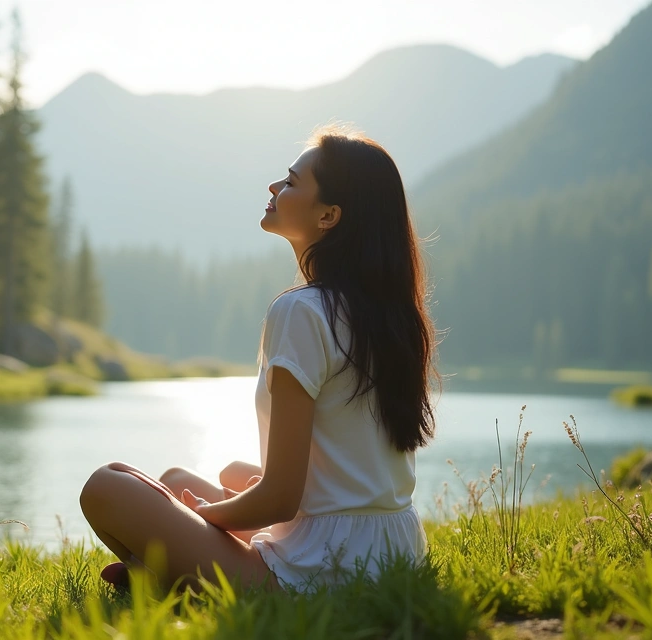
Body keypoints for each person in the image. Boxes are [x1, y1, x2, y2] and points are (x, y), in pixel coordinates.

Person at [78, 123, 437, 593]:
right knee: (184, 477)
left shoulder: (302, 311)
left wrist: (203, 519)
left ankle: (174, 579)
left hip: (323, 574)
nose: (274, 187)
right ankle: (168, 575)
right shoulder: (390, 314)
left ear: (328, 216)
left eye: (290, 182)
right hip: (392, 552)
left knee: (107, 487)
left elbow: (280, 499)